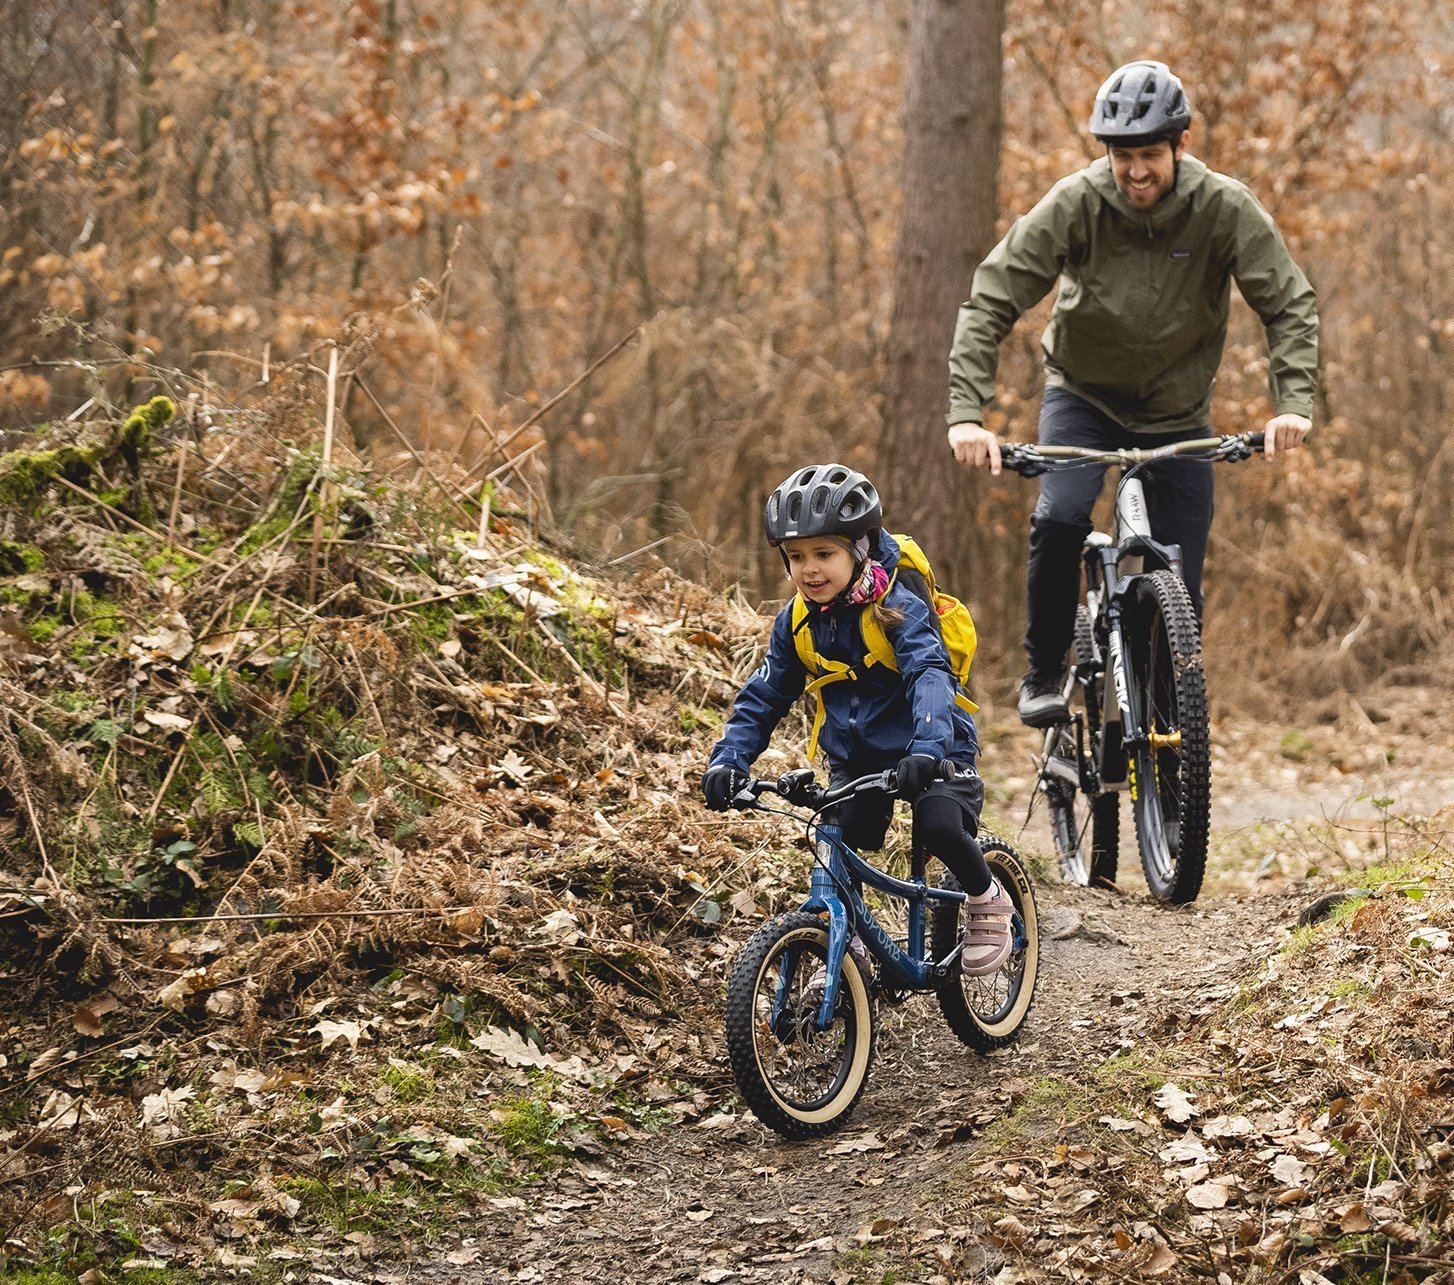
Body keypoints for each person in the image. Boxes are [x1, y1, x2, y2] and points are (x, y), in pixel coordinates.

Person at [946, 59, 1319, 727]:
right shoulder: (1077, 202)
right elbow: (992, 298)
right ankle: (1044, 669)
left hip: (1177, 411)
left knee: (1181, 585)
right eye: (1122, 157)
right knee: (1061, 517)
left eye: (1149, 154)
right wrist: (967, 414)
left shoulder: (1223, 208)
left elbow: (1289, 304)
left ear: (1180, 143)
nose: (1136, 171)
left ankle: (1173, 746)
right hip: (1083, 397)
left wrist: (1291, 403)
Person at [700, 463, 1013, 975]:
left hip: (931, 745)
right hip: (859, 757)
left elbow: (930, 674)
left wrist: (930, 748)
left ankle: (986, 898)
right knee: (837, 838)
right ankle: (847, 948)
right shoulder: (795, 622)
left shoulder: (897, 609)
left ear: (860, 548)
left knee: (937, 826)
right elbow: (763, 696)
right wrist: (728, 762)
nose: (810, 569)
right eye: (796, 557)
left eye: (825, 553)